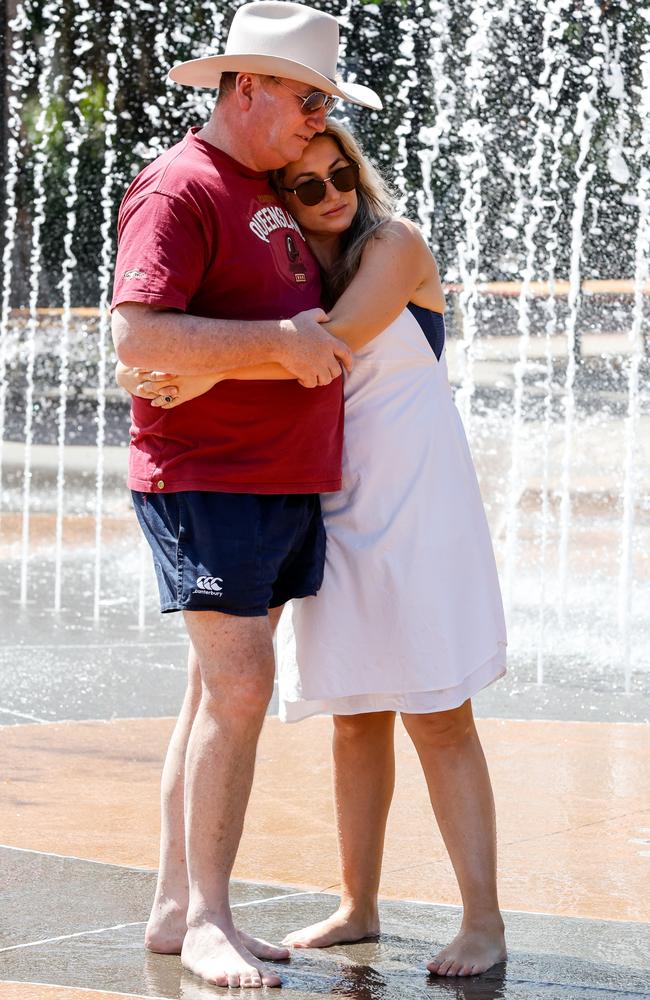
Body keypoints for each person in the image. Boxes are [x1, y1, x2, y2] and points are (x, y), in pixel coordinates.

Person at [121, 121, 508, 979]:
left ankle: (483, 920)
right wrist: (180, 362)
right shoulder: (293, 270)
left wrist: (199, 369)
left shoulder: (394, 244)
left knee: (440, 716)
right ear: (283, 204)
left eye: (342, 174)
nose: (332, 192)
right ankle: (357, 903)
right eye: (307, 186)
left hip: (418, 507)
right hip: (332, 500)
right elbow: (233, 338)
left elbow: (326, 349)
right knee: (356, 715)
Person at [110, 1, 381, 989]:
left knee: (209, 691)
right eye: (307, 98)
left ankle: (179, 905)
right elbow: (136, 338)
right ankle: (213, 920)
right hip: (209, 477)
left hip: (267, 478)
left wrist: (270, 349)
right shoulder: (180, 186)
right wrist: (274, 345)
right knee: (238, 686)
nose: (318, 118)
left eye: (323, 101)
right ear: (249, 86)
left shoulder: (263, 186)